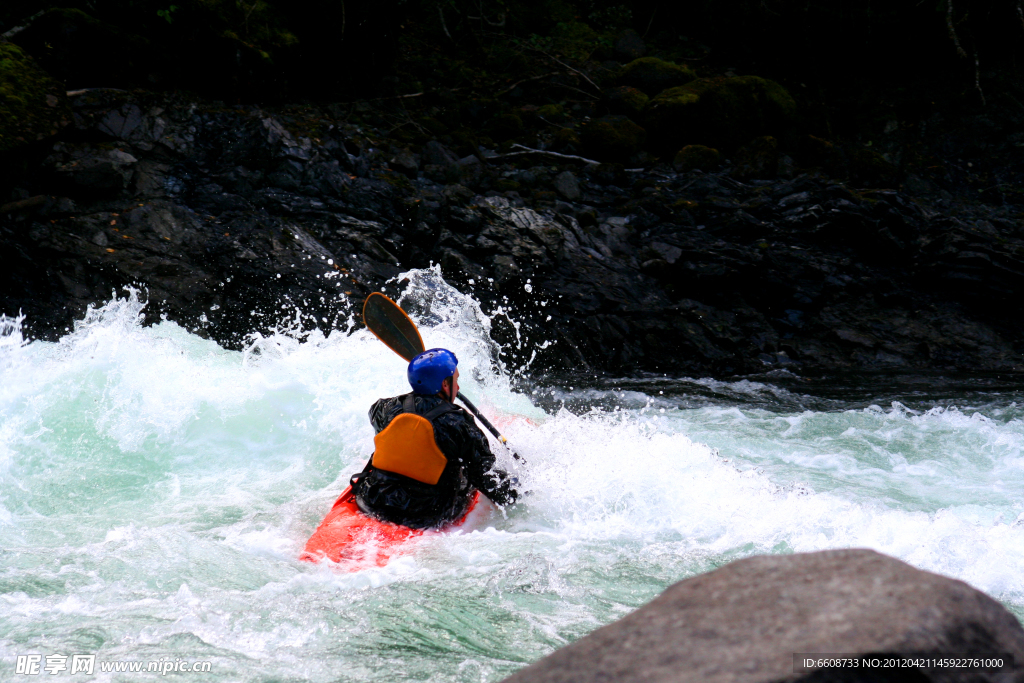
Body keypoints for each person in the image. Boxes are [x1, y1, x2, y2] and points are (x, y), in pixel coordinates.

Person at [351, 348, 519, 529]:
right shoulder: (458, 423)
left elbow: (376, 417)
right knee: (466, 468)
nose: (459, 387)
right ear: (445, 385)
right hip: (426, 513)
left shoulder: (385, 408)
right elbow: (485, 476)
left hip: (375, 499)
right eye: (456, 380)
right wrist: (517, 493)